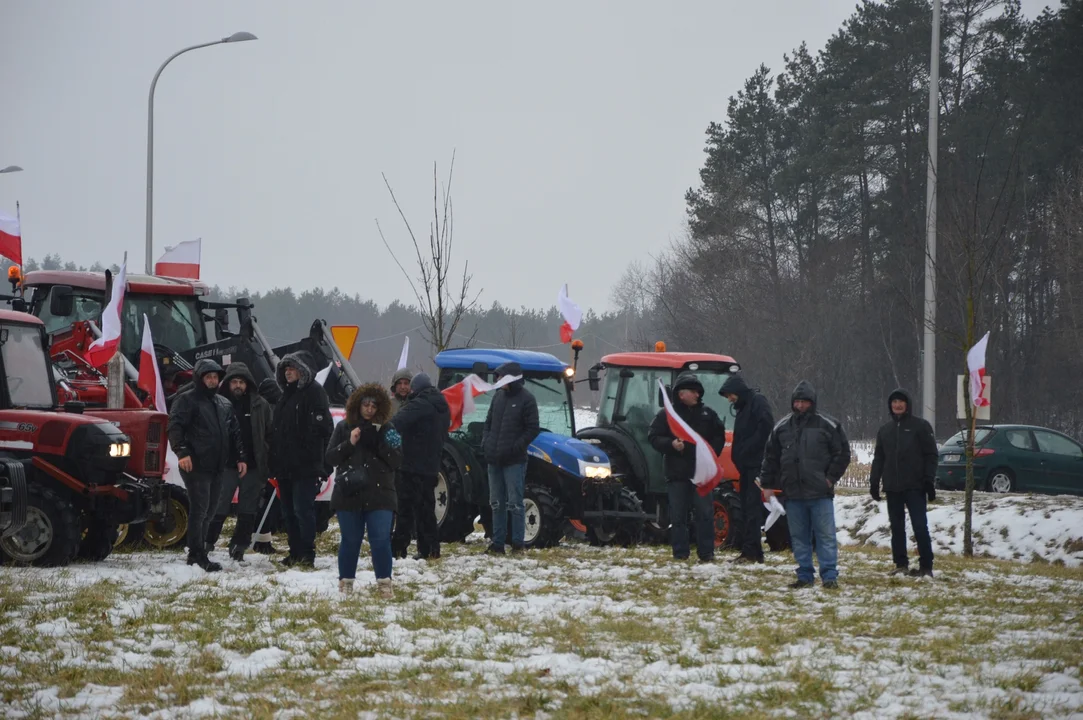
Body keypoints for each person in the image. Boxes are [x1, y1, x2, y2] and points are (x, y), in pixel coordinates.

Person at [760, 380, 851, 589]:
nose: (800, 406)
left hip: (820, 494)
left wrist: (829, 479)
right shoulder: (781, 427)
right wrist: (766, 485)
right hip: (793, 494)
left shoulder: (829, 425)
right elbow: (770, 458)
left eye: (804, 402)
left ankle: (829, 577)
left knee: (825, 537)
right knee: (798, 538)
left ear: (813, 402)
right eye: (797, 402)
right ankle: (804, 575)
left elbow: (842, 454)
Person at [167, 359, 247, 572]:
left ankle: (200, 549)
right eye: (208, 377)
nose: (212, 381)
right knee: (200, 509)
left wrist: (240, 457)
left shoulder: (223, 403)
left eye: (215, 377)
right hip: (195, 464)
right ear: (200, 378)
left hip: (218, 465)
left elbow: (235, 432)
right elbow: (175, 427)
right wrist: (182, 452)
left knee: (210, 510)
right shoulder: (186, 400)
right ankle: (196, 554)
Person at [325, 383, 403, 597]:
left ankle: (384, 583)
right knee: (350, 540)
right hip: (349, 493)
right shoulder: (343, 427)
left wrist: (379, 442)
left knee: (380, 539)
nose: (369, 409)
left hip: (381, 494)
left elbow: (397, 459)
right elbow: (330, 458)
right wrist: (350, 443)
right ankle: (346, 583)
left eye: (374, 406)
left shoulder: (389, 429)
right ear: (357, 406)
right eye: (365, 405)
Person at [648, 372, 727, 563]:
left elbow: (719, 436)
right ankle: (680, 553)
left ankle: (706, 553)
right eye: (693, 391)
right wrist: (671, 444)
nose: (697, 395)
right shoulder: (667, 416)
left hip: (702, 474)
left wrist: (710, 455)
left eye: (698, 391)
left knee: (705, 514)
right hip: (677, 473)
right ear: (681, 394)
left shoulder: (708, 414)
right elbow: (653, 437)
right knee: (678, 516)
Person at [268, 353, 334, 568]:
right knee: (288, 512)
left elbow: (324, 430)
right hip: (285, 466)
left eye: (292, 368)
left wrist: (322, 463)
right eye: (285, 368)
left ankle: (307, 553)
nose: (288, 372)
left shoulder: (315, 393)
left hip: (306, 466)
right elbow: (276, 432)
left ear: (302, 371)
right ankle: (294, 551)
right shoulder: (285, 396)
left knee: (303, 511)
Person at [204, 362, 274, 563]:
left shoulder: (261, 405)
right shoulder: (218, 402)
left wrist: (266, 457)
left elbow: (269, 434)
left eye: (241, 382)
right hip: (226, 465)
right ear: (227, 383)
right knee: (219, 505)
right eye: (234, 381)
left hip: (253, 465)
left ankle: (239, 546)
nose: (237, 385)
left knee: (248, 509)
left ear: (248, 384)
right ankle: (207, 543)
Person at [869, 388, 938, 578]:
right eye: (894, 402)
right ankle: (901, 564)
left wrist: (928, 481)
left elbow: (931, 455)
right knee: (897, 527)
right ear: (890, 406)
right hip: (893, 487)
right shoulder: (885, 430)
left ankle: (926, 566)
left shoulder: (921, 426)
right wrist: (874, 481)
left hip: (915, 487)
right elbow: (879, 458)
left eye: (901, 401)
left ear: (908, 404)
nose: (897, 405)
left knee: (919, 526)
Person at [390, 372, 451, 560]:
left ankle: (398, 549)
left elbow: (395, 422)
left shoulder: (419, 404)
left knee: (405, 509)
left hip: (411, 465)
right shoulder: (442, 405)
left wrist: (386, 438)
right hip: (432, 465)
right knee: (426, 510)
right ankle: (430, 549)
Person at [482, 362, 540, 555]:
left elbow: (532, 429)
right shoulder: (497, 397)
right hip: (494, 459)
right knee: (496, 502)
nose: (498, 380)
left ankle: (517, 544)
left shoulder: (527, 399)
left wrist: (516, 447)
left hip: (514, 461)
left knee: (515, 503)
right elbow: (488, 423)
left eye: (501, 377)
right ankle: (497, 544)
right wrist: (487, 442)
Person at [720, 374, 775, 564]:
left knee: (752, 509)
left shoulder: (757, 402)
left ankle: (752, 552)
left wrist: (748, 449)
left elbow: (766, 426)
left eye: (730, 395)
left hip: (755, 465)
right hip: (744, 466)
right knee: (746, 508)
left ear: (738, 391)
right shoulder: (743, 407)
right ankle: (749, 550)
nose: (729, 399)